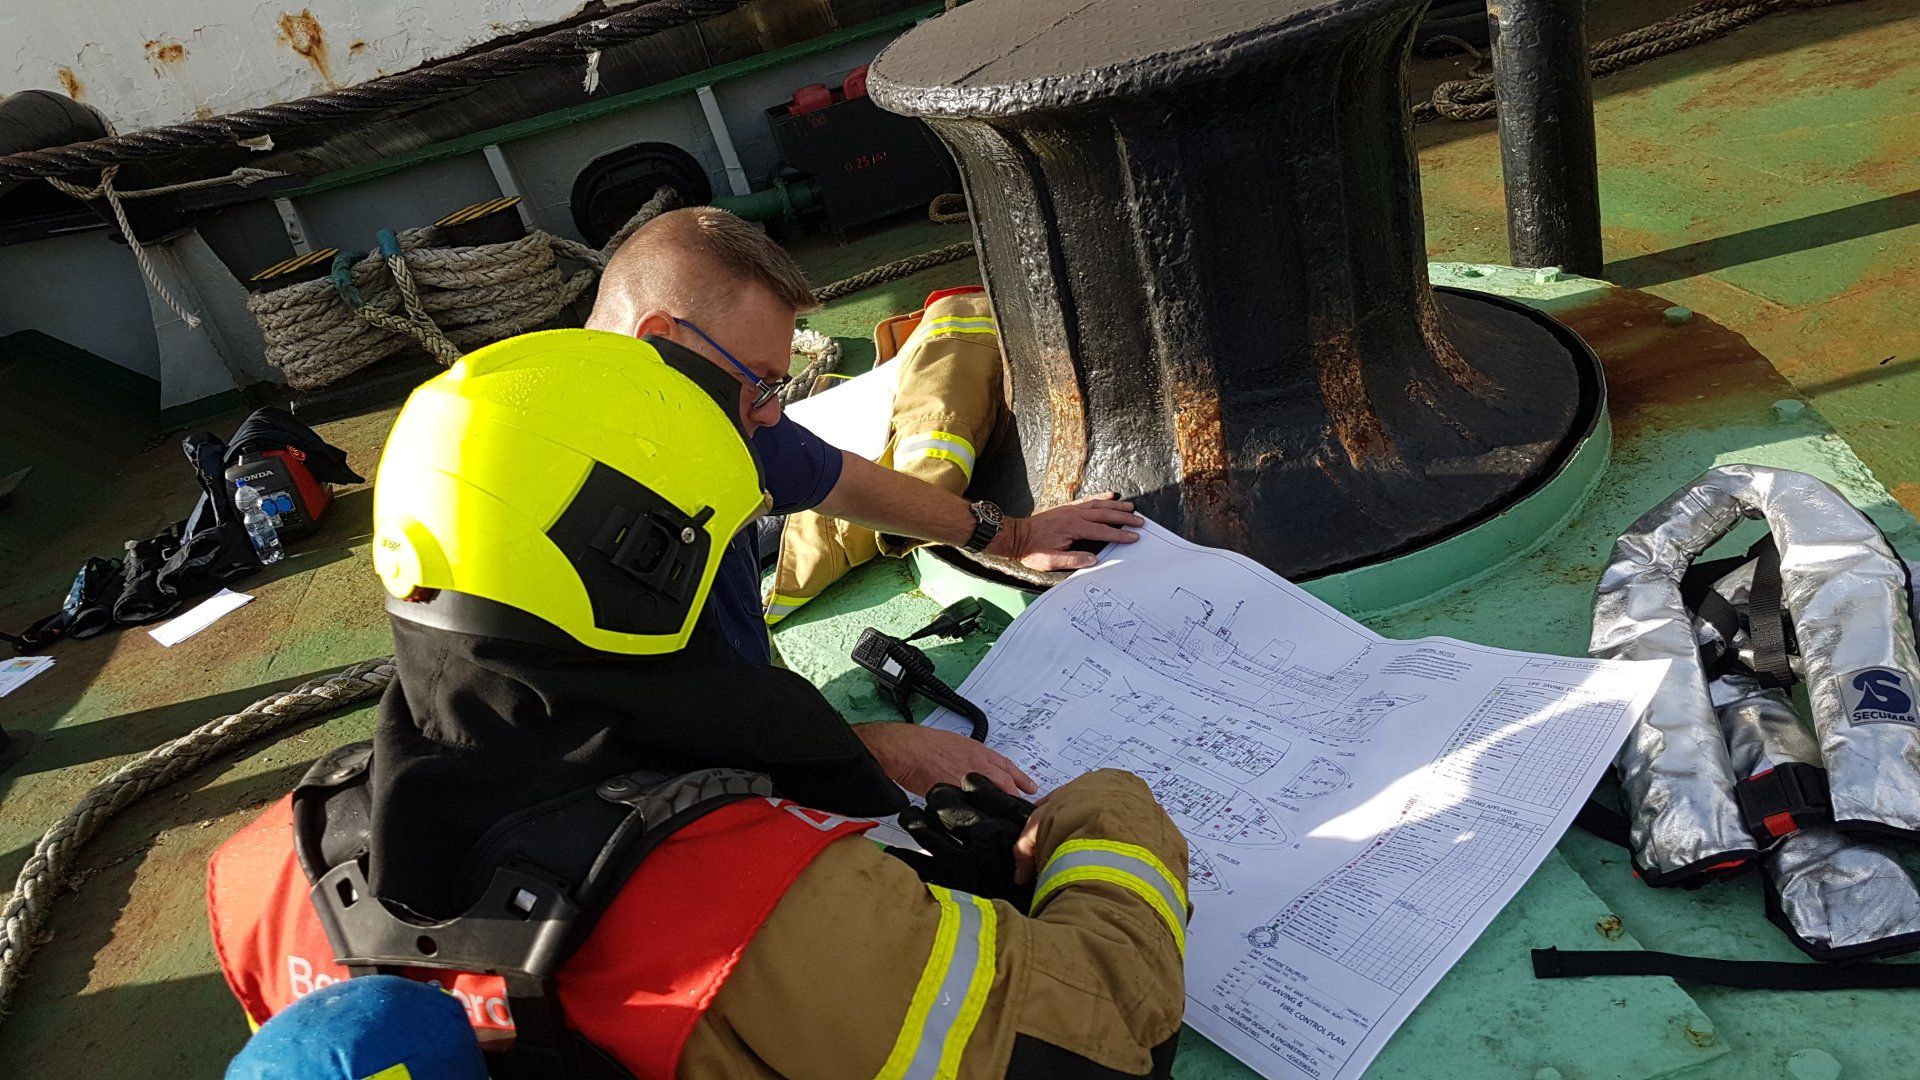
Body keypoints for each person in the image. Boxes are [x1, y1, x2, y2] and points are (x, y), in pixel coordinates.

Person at [206, 330, 1189, 1078]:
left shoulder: (259, 878)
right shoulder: (764, 911)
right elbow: (1104, 1034)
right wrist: (1107, 815)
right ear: (645, 570)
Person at [584, 207, 1144, 796]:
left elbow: (841, 482)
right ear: (659, 342)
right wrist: (871, 748)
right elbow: (648, 749)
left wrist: (1012, 537)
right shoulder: (569, 511)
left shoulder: (690, 402)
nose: (773, 415)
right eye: (761, 384)